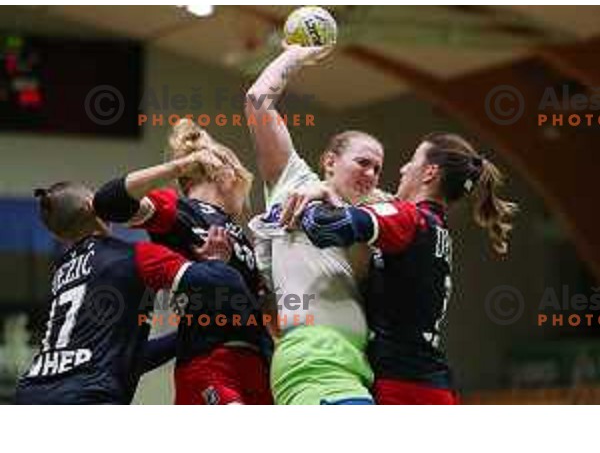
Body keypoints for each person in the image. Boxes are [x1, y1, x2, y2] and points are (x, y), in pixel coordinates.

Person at [299, 133, 518, 404]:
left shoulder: (409, 219)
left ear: (429, 172)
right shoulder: (437, 228)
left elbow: (324, 227)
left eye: (411, 161)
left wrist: (318, 195)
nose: (402, 169)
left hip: (404, 388)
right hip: (431, 385)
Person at [15, 181, 248, 405]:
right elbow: (223, 283)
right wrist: (217, 261)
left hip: (31, 393)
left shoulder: (62, 272)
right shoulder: (135, 256)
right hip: (88, 396)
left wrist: (184, 336)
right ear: (91, 203)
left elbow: (124, 357)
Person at [93, 120, 273, 405]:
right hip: (210, 361)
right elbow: (106, 203)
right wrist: (180, 165)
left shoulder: (242, 236)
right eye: (244, 184)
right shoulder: (180, 211)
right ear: (227, 175)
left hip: (259, 363)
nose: (244, 196)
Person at [244, 43, 385, 404]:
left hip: (356, 365)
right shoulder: (293, 179)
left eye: (377, 168)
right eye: (363, 162)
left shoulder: (380, 211)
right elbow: (258, 98)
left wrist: (334, 202)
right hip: (313, 360)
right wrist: (296, 54)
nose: (370, 174)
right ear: (330, 161)